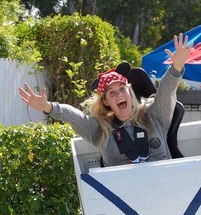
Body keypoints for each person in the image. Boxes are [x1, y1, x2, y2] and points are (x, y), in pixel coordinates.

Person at [19, 33, 191, 166]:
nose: (119, 95)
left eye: (122, 89)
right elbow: (74, 116)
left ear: (129, 93)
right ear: (106, 102)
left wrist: (176, 67)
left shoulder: (154, 115)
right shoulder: (100, 129)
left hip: (166, 191)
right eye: (112, 93)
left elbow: (166, 92)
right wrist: (48, 107)